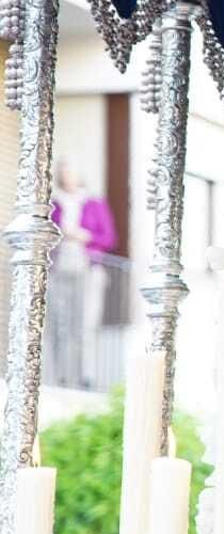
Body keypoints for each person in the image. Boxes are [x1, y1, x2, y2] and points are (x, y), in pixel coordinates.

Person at [47, 157, 118, 386]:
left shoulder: (94, 204)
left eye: (71, 172)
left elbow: (109, 238)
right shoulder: (54, 204)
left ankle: (84, 378)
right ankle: (60, 377)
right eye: (64, 172)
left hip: (88, 269)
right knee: (60, 324)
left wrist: (85, 236)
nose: (67, 176)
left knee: (84, 326)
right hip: (59, 269)